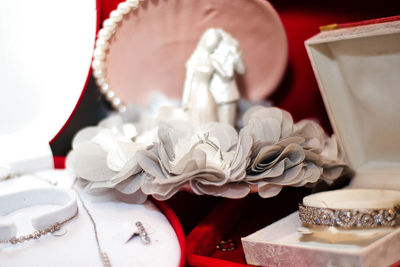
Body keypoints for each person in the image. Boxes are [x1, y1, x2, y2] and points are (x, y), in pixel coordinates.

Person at [182, 28, 246, 127]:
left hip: (214, 95)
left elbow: (227, 75)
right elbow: (188, 81)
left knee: (222, 127)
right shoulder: (195, 60)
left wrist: (234, 54)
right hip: (198, 95)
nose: (213, 46)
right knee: (198, 122)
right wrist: (185, 100)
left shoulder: (217, 58)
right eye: (212, 41)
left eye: (215, 42)